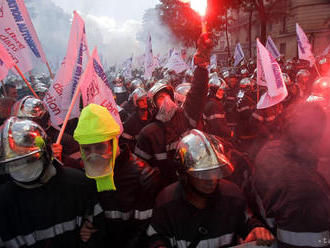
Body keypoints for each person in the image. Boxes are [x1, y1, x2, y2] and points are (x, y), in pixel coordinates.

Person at [147, 129, 274, 247]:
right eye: (202, 174)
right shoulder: (167, 202)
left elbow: (246, 221)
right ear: (184, 174)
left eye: (215, 172)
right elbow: (156, 236)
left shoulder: (232, 195)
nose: (211, 180)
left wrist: (256, 229)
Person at [0, 117, 102, 248]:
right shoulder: (4, 202)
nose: (22, 170)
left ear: (46, 153)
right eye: (14, 163)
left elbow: (98, 229)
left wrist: (89, 237)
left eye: (29, 160)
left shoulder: (79, 184)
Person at [74, 103, 163, 247]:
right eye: (87, 149)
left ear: (114, 142)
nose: (93, 155)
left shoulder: (143, 176)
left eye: (99, 147)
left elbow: (144, 229)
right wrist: (84, 229)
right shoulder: (85, 175)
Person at [135, 33, 212, 187]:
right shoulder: (148, 133)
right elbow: (141, 169)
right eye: (160, 97)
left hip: (194, 183)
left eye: (167, 96)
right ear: (152, 105)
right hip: (167, 190)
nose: (166, 100)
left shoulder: (185, 116)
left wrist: (201, 68)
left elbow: (197, 94)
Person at [252, 102, 330, 247]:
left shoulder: (269, 151)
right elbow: (318, 242)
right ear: (317, 137)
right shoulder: (308, 193)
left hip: (270, 231)